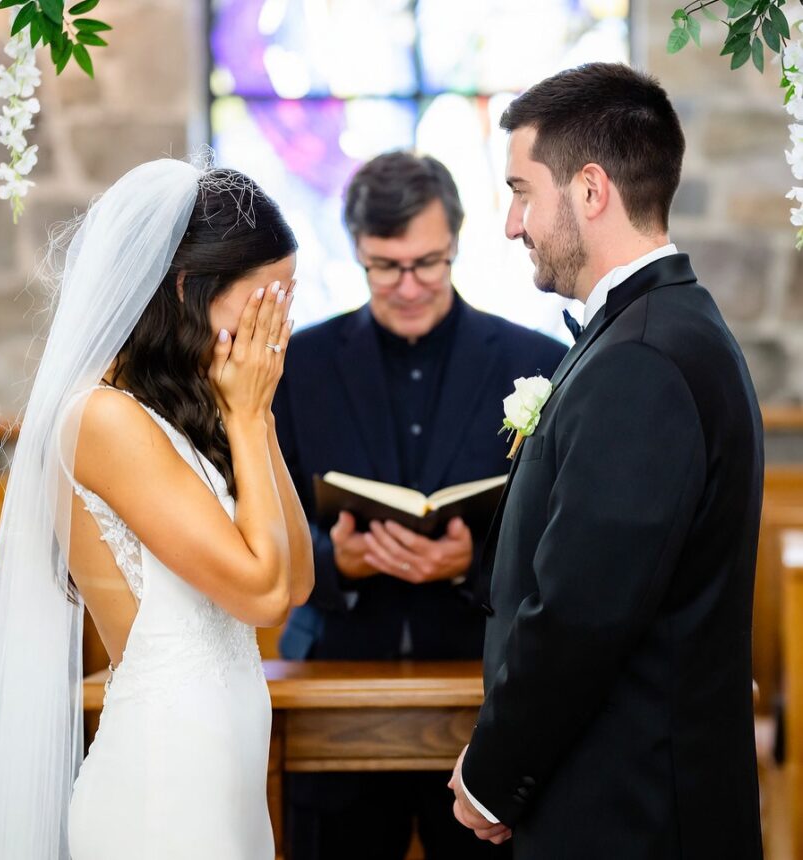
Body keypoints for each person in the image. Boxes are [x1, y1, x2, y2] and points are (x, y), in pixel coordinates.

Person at [0, 158, 314, 859]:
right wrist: (246, 416)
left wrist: (258, 420)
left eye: (288, 301)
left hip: (223, 781)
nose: (278, 328)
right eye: (266, 300)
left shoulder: (182, 412)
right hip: (163, 784)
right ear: (187, 288)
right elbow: (264, 597)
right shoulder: (102, 417)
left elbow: (295, 581)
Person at [449, 63, 764, 859]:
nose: (512, 225)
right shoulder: (658, 328)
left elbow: (583, 612)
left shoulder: (642, 359)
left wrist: (493, 775)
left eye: (522, 192)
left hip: (630, 814)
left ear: (590, 190)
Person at [272, 151, 566, 860]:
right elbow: (260, 514)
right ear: (357, 250)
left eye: (427, 263)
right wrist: (333, 559)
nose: (408, 286)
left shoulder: (534, 360)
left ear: (456, 242)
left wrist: (473, 562)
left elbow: (559, 534)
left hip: (478, 689)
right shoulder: (296, 365)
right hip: (331, 684)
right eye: (385, 266)